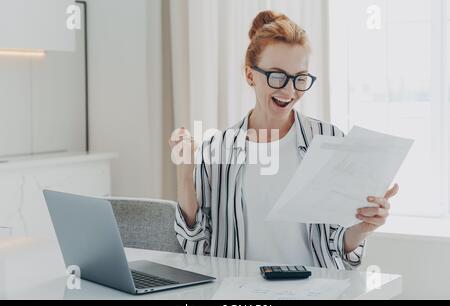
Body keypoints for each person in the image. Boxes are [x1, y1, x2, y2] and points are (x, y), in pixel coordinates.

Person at [169, 10, 399, 270]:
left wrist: (362, 229)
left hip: (314, 291)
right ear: (249, 75)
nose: (289, 91)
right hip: (239, 296)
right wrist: (186, 175)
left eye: (299, 78)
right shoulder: (217, 148)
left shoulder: (329, 140)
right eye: (277, 76)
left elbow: (338, 246)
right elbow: (195, 247)